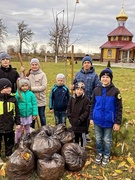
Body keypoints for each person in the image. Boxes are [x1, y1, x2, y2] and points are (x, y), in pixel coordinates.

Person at [90, 68, 122, 166]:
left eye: (107, 77)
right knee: (99, 138)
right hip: (98, 120)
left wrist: (117, 122)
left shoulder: (115, 91)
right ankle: (99, 153)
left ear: (111, 79)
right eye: (103, 77)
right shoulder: (96, 90)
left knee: (107, 139)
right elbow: (92, 104)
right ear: (100, 78)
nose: (105, 79)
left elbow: (119, 108)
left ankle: (106, 155)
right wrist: (91, 117)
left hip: (109, 120)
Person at [71, 54, 100, 142]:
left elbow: (97, 87)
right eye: (85, 62)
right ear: (82, 64)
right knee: (78, 115)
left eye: (88, 62)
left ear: (91, 64)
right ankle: (76, 131)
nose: (86, 64)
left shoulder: (95, 75)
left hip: (89, 100)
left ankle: (85, 133)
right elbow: (74, 83)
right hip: (78, 99)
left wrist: (92, 97)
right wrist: (72, 86)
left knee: (86, 117)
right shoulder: (78, 74)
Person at [21, 58, 47, 128]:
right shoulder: (28, 75)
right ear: (31, 66)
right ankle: (31, 131)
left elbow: (44, 86)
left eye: (36, 64)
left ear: (38, 65)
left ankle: (44, 130)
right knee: (32, 117)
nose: (34, 66)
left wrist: (31, 88)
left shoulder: (42, 75)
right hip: (30, 100)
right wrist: (21, 72)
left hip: (40, 99)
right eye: (33, 65)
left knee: (42, 116)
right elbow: (21, 82)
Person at [0, 78, 20, 165]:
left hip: (9, 125)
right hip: (0, 126)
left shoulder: (13, 99)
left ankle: (8, 154)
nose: (9, 89)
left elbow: (17, 112)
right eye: (6, 87)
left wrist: (18, 122)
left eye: (10, 87)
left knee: (9, 141)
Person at [67, 82, 90, 149]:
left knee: (82, 136)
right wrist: (69, 116)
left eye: (81, 90)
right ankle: (76, 148)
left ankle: (82, 149)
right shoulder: (72, 98)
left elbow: (87, 111)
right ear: (75, 90)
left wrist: (81, 119)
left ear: (83, 91)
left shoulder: (86, 100)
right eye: (77, 89)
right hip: (73, 121)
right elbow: (68, 107)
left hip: (82, 123)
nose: (79, 91)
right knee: (75, 136)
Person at [15, 78, 38, 143]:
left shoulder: (31, 94)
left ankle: (26, 141)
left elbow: (34, 104)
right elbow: (15, 105)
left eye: (26, 85)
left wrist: (34, 113)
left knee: (27, 128)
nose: (24, 87)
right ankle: (17, 142)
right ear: (19, 86)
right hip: (20, 115)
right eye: (23, 86)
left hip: (28, 114)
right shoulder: (17, 94)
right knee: (19, 129)